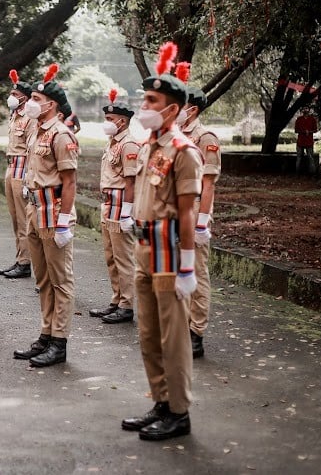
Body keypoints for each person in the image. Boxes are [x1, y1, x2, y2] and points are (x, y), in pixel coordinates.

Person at [121, 42, 203, 441]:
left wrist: (188, 265)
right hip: (143, 249)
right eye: (144, 98)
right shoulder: (151, 146)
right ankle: (161, 400)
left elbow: (187, 211)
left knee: (173, 338)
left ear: (171, 109)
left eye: (152, 100)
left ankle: (179, 412)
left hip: (170, 253)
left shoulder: (184, 152)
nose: (145, 105)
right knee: (149, 332)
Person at [13, 63, 79, 367]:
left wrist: (65, 220)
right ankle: (46, 332)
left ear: (50, 104)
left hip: (54, 212)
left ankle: (59, 341)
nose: (30, 103)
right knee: (42, 278)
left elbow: (70, 181)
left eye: (36, 99)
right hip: (33, 209)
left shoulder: (61, 135)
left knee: (60, 280)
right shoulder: (36, 132)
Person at [89, 89, 139, 324]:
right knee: (110, 256)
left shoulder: (129, 144)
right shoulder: (113, 143)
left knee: (123, 257)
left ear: (122, 121)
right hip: (108, 204)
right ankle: (117, 299)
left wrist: (128, 211)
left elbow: (131, 180)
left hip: (120, 204)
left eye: (110, 120)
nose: (106, 123)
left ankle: (127, 304)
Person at [180, 86, 221, 358]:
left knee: (196, 272)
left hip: (194, 209)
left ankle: (196, 332)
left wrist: (202, 222)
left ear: (191, 109)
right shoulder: (176, 136)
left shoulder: (205, 137)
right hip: (174, 209)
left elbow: (208, 184)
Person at [0, 70, 36, 279]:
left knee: (23, 218)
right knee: (14, 216)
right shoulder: (15, 115)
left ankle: (25, 262)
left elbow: (31, 149)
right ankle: (20, 257)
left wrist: (29, 177)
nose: (11, 96)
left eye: (15, 93)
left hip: (22, 169)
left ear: (24, 97)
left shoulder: (29, 118)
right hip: (11, 166)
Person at [295, 107, 318, 175]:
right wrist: (304, 132)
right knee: (299, 158)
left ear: (309, 110)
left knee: (310, 157)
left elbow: (315, 130)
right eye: (304, 109)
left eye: (307, 109)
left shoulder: (312, 119)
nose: (305, 110)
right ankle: (297, 173)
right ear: (302, 111)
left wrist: (309, 132)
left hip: (309, 142)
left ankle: (312, 173)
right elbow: (296, 130)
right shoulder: (299, 119)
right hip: (300, 141)